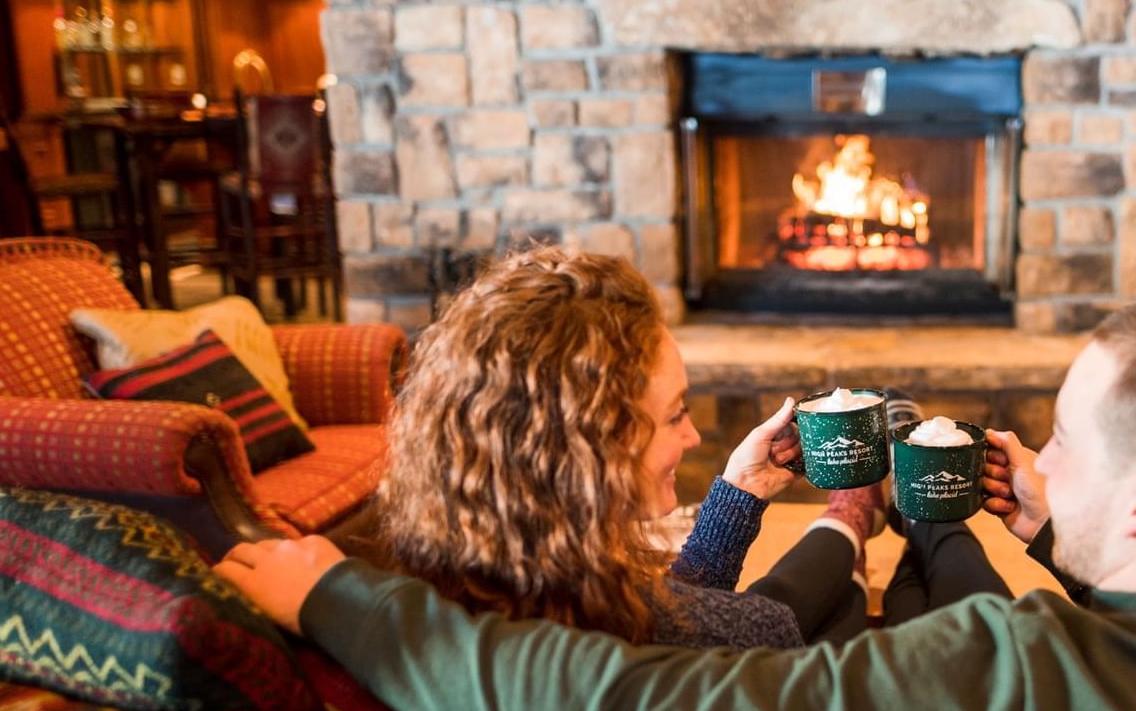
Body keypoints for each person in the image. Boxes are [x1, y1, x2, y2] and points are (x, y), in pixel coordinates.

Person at [217, 298, 1136, 711]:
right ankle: (915, 522)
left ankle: (891, 518)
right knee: (924, 541)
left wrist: (346, 599)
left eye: (1063, 441)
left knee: (881, 553)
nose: (1034, 453)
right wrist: (1071, 548)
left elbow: (620, 707)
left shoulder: (997, 667)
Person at [370, 245, 880, 649]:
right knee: (837, 612)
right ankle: (858, 513)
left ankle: (852, 522)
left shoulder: (496, 581)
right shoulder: (731, 633)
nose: (694, 437)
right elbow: (743, 626)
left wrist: (740, 490)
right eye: (676, 414)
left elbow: (672, 608)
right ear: (590, 449)